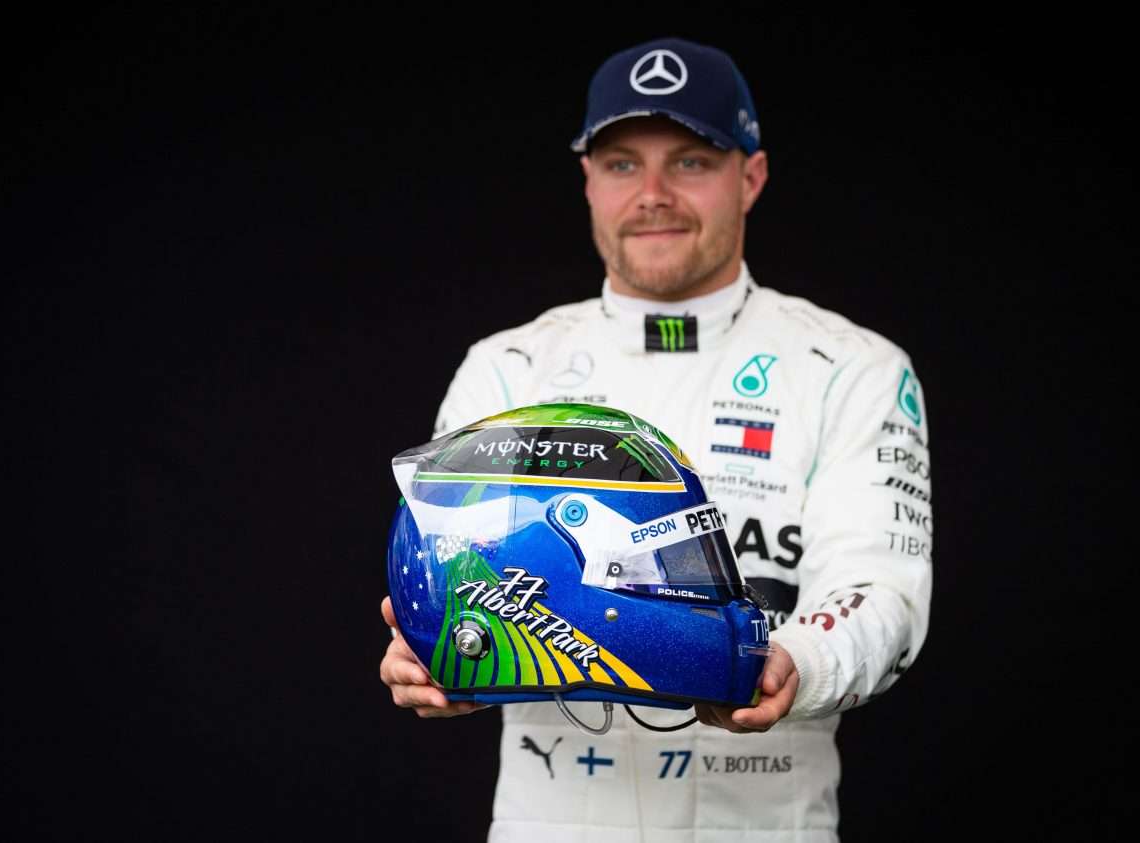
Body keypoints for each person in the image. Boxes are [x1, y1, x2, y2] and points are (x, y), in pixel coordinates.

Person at [379, 36, 933, 842]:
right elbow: (448, 571)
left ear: (751, 176)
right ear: (588, 182)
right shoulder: (507, 369)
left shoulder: (853, 367)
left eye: (691, 161)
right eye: (621, 164)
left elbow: (883, 589)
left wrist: (799, 664)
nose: (653, 194)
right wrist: (428, 648)